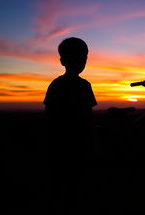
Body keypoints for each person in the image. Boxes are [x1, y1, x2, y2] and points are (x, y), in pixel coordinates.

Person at [43, 37, 97, 213]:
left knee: (62, 183)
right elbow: (88, 117)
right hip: (75, 143)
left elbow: (48, 116)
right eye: (80, 57)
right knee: (74, 182)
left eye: (83, 58)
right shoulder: (84, 86)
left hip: (58, 144)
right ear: (63, 61)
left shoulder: (56, 84)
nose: (81, 62)